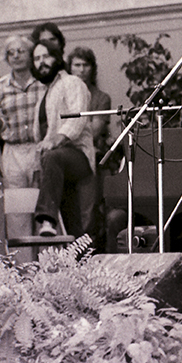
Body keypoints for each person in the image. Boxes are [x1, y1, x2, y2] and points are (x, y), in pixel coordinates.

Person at [30, 39, 96, 238]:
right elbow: (39, 136)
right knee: (73, 225)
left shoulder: (72, 83)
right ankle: (83, 263)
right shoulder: (45, 92)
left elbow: (78, 118)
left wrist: (56, 139)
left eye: (46, 56)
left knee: (53, 157)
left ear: (57, 58)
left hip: (77, 155)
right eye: (36, 58)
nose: (41, 62)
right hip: (57, 165)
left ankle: (47, 219)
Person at [0, 35, 47, 250]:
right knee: (17, 213)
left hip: (39, 148)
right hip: (13, 151)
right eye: (11, 52)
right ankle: (22, 267)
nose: (16, 56)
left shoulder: (43, 83)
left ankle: (48, 267)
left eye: (21, 51)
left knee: (42, 208)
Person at [66, 46, 113, 250]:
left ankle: (86, 252)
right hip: (66, 156)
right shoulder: (63, 93)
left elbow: (94, 131)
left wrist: (68, 132)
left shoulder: (101, 97)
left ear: (92, 68)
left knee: (88, 212)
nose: (81, 69)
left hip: (90, 158)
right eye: (77, 65)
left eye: (86, 65)